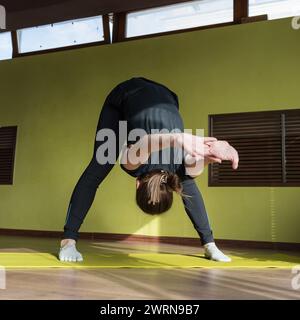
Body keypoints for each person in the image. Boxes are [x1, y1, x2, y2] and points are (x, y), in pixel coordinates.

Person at [58, 77, 239, 262]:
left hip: (167, 96)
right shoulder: (134, 166)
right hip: (128, 94)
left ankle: (210, 245)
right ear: (137, 185)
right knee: (100, 165)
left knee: (186, 180)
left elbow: (189, 163)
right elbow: (146, 143)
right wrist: (194, 148)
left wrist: (209, 154)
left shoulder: (181, 169)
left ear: (171, 187)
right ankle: (67, 243)